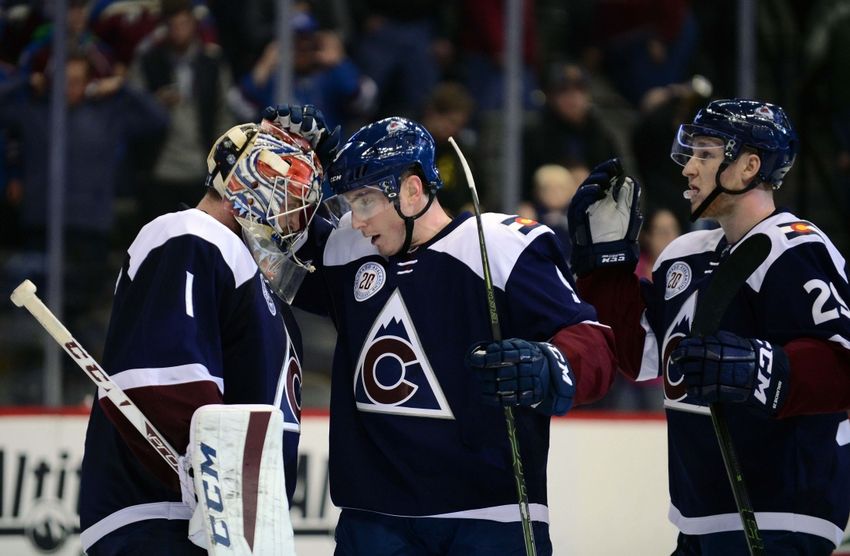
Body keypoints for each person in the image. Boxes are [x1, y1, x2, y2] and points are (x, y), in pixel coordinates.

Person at [266, 105, 620, 555]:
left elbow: (592, 342)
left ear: (412, 191)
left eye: (366, 201)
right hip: (373, 521)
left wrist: (551, 364)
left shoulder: (499, 246)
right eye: (351, 204)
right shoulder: (345, 252)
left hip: (489, 516)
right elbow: (275, 238)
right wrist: (293, 160)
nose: (357, 220)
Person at [568, 99, 850, 554]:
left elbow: (841, 366)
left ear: (748, 166)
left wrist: (758, 368)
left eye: (705, 153)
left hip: (782, 511)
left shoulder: (794, 248)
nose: (688, 169)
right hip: (699, 512)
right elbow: (638, 357)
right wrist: (605, 270)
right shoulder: (685, 253)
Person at [78, 119, 325, 554]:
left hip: (231, 527)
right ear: (251, 186)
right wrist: (218, 486)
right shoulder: (190, 234)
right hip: (162, 516)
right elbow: (163, 382)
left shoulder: (258, 286)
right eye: (289, 202)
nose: (294, 224)